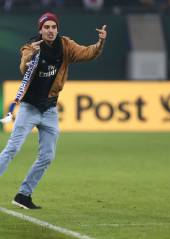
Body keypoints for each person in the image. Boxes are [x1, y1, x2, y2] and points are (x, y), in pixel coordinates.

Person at [0, 12, 107, 209]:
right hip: (29, 107)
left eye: (53, 27)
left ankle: (24, 195)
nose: (50, 30)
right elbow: (24, 68)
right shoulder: (31, 47)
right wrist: (30, 56)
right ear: (40, 30)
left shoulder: (65, 45)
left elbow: (86, 53)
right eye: (46, 27)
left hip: (49, 109)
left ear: (57, 29)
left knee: (47, 156)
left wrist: (99, 44)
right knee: (12, 149)